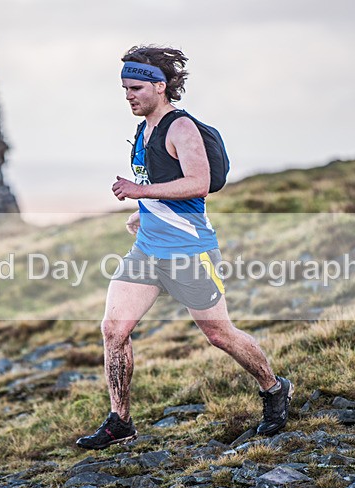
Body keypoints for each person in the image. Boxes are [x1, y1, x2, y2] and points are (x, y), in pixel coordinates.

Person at [76, 45, 293, 450]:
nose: (128, 95)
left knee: (219, 334)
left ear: (160, 86)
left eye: (136, 87)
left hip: (190, 252)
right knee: (113, 329)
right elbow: (166, 185)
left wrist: (140, 191)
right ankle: (120, 420)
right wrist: (145, 210)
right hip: (147, 251)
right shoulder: (143, 130)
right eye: (124, 88)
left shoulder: (181, 128)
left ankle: (274, 388)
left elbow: (199, 183)